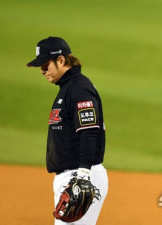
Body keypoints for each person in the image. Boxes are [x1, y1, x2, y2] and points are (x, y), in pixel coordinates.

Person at [27, 36, 108, 225]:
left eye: (46, 65)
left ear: (61, 60)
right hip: (73, 176)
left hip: (80, 177)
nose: (42, 71)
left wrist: (83, 174)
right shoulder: (68, 88)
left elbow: (89, 131)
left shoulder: (79, 88)